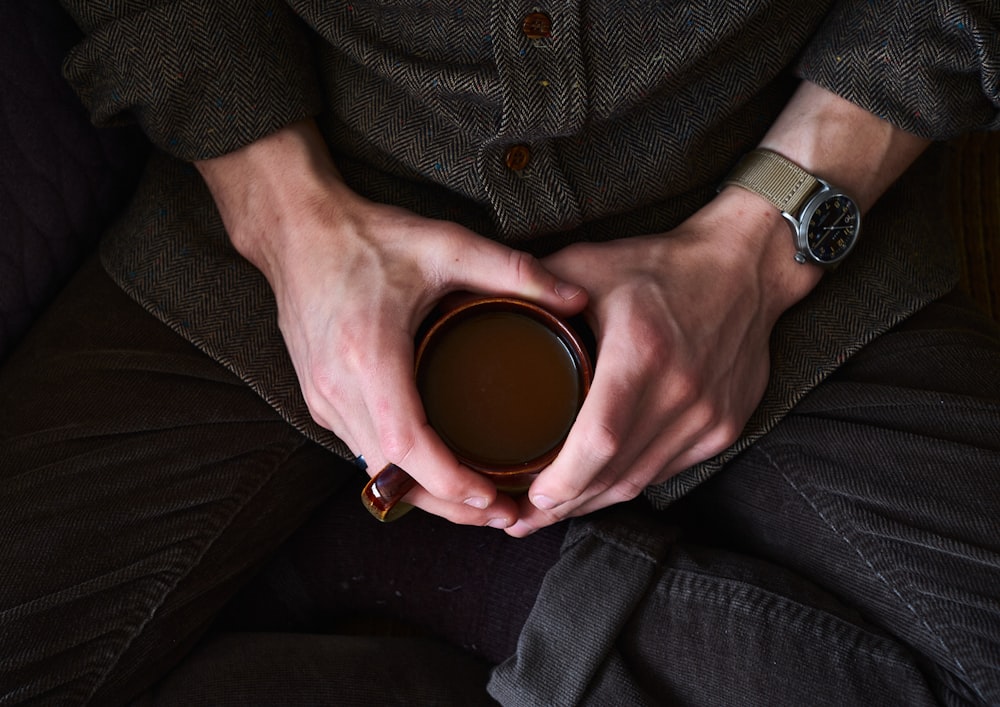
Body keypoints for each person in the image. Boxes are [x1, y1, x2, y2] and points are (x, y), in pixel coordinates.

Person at [1, 0, 998, 704]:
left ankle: (433, 567)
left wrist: (753, 255)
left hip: (774, 241)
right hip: (272, 250)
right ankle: (452, 574)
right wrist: (290, 224)